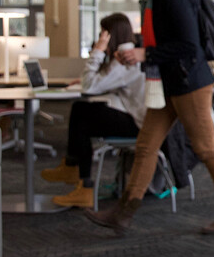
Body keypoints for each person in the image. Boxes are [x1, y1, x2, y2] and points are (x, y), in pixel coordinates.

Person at [86, 0, 214, 235]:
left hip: (189, 82)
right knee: (146, 147)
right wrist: (139, 50)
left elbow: (188, 46)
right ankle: (124, 213)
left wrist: (146, 53)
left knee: (206, 147)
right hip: (168, 81)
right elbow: (169, 40)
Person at [41, 13, 146, 208]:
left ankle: (81, 180)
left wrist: (98, 51)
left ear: (109, 35)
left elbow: (89, 87)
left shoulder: (126, 59)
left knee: (82, 114)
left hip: (137, 124)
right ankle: (75, 172)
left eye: (102, 34)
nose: (100, 38)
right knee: (82, 110)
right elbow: (103, 83)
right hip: (135, 116)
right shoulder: (125, 55)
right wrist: (87, 81)